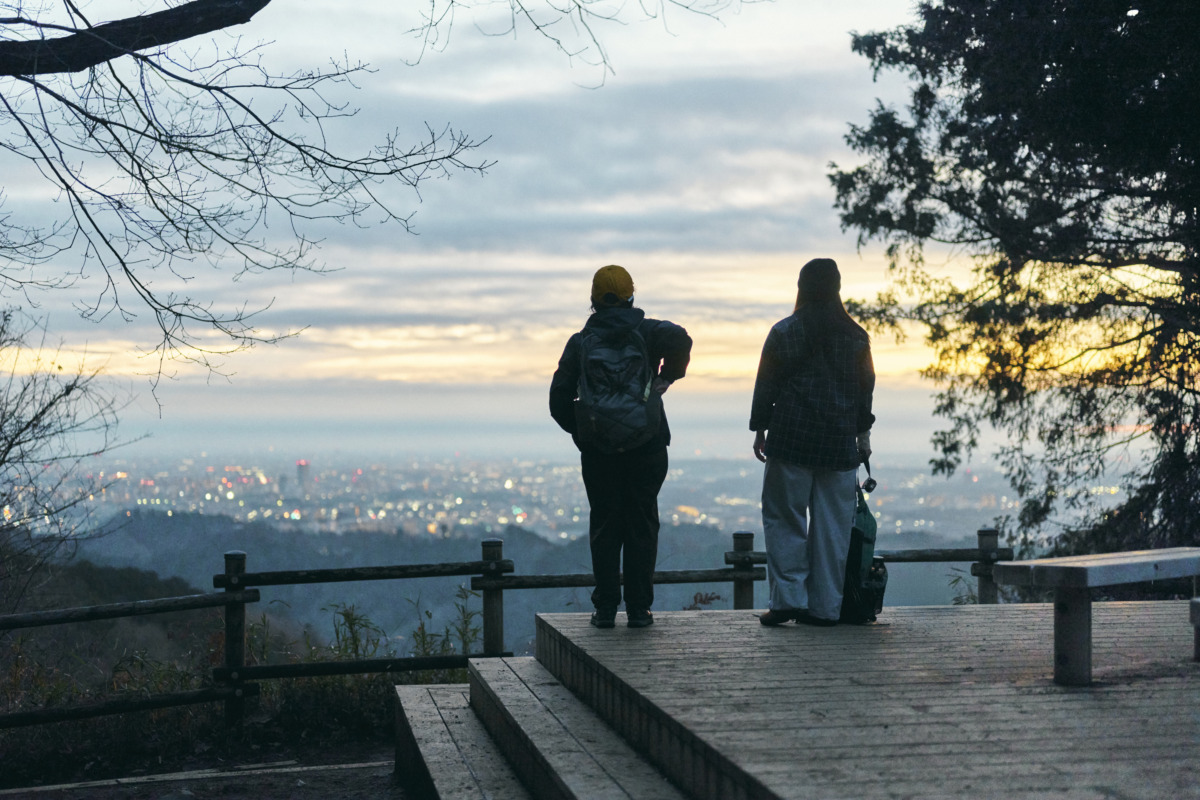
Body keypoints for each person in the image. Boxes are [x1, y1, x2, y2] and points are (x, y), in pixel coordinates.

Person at [550, 265, 692, 629]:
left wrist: (586, 433)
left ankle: (606, 608)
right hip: (647, 445)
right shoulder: (647, 332)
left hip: (600, 454)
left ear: (593, 300)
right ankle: (640, 609)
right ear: (632, 296)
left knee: (605, 525)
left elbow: (558, 399)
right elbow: (681, 339)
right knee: (642, 523)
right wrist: (666, 377)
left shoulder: (581, 342)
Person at [749, 258, 875, 627]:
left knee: (784, 519)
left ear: (801, 287)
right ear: (837, 289)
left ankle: (787, 600)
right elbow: (864, 392)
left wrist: (760, 428)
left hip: (791, 437)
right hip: (838, 444)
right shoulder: (856, 337)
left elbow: (766, 384)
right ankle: (825, 608)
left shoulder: (785, 331)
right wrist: (861, 434)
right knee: (833, 528)